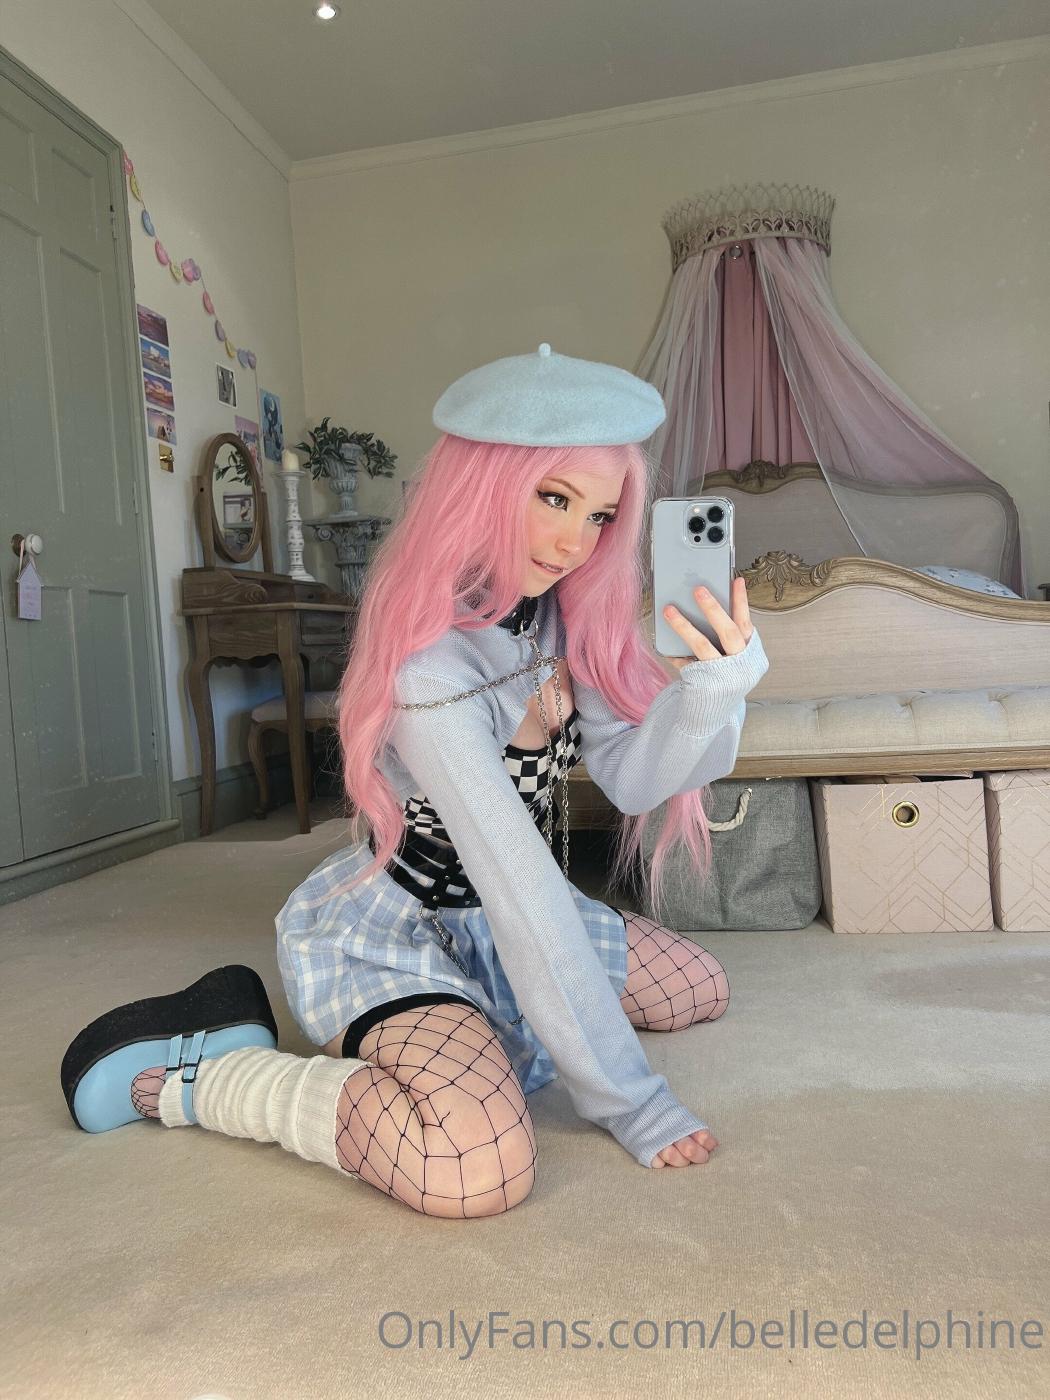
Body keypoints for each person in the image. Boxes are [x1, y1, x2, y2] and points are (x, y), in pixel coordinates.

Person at [61, 344, 769, 1220]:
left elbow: (630, 780)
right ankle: (208, 1073)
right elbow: (520, 889)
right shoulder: (432, 667)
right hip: (400, 924)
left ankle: (485, 1026)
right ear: (482, 488)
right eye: (553, 499)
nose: (574, 542)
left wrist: (715, 690)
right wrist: (633, 1101)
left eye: (600, 515)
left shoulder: (561, 616)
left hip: (503, 910)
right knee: (475, 1167)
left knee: (701, 987)